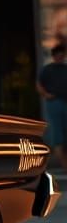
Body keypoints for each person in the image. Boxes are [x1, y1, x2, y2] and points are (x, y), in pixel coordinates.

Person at [37, 41, 67, 169]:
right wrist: (46, 95)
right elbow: (39, 84)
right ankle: (65, 165)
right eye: (58, 55)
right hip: (54, 103)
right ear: (54, 56)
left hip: (65, 101)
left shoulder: (65, 69)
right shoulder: (47, 69)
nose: (60, 57)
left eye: (62, 55)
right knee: (58, 133)